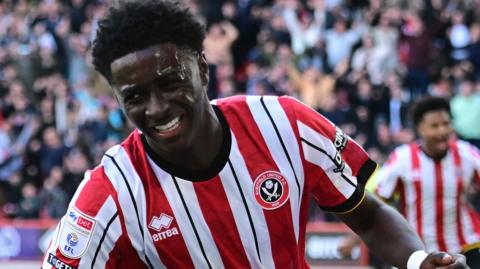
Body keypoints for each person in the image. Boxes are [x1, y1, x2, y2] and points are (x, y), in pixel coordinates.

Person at [41, 1, 468, 268]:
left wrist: (416, 260)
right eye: (135, 96)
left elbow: (368, 215)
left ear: (203, 71)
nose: (156, 108)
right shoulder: (110, 194)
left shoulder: (285, 124)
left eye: (170, 83)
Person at [373, 96, 480, 268]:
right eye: (434, 126)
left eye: (446, 124)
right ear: (420, 129)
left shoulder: (466, 153)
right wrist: (354, 239)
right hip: (418, 252)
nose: (442, 131)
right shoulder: (403, 158)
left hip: (465, 248)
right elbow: (377, 200)